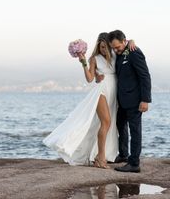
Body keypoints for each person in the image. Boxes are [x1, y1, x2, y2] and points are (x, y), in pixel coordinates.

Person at [43, 33, 136, 168]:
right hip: (101, 91)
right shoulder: (94, 58)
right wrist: (83, 61)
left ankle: (99, 155)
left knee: (106, 125)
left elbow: (125, 46)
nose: (104, 50)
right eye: (101, 47)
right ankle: (101, 159)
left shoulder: (116, 55)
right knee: (106, 122)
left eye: (106, 47)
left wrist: (132, 41)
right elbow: (90, 78)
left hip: (114, 93)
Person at [108, 30, 151, 173]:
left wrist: (145, 100)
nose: (116, 50)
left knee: (135, 131)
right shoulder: (120, 53)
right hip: (122, 100)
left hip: (135, 100)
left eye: (117, 47)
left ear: (124, 41)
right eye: (113, 48)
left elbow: (145, 76)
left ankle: (134, 164)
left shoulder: (134, 52)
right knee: (120, 125)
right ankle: (124, 155)